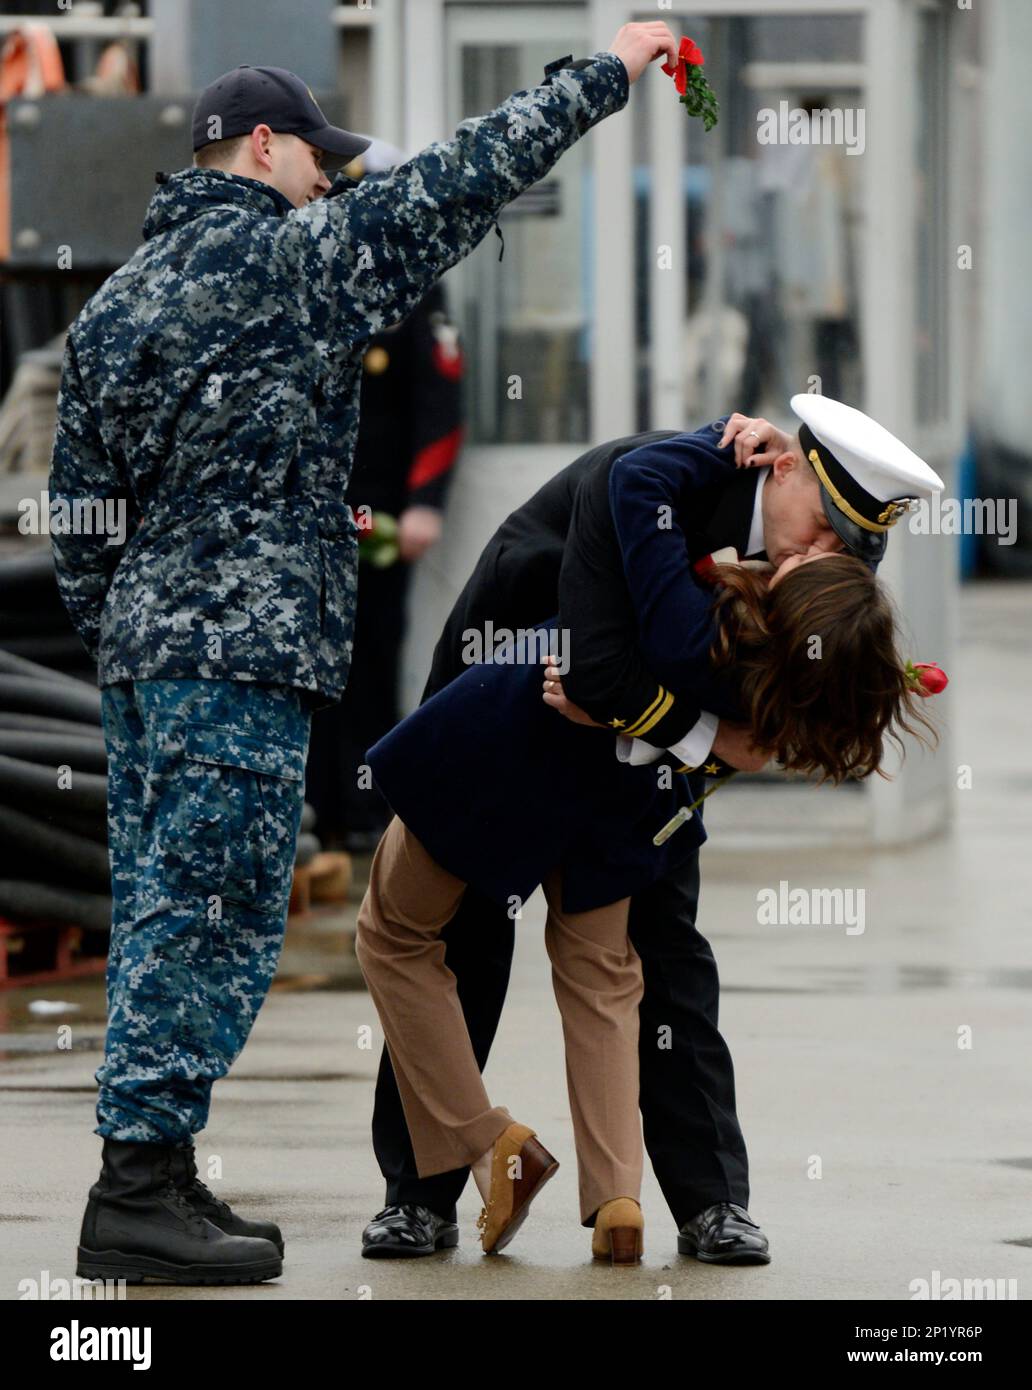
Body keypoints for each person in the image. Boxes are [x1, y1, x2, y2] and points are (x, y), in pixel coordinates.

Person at [49, 24, 682, 1286]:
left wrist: (125, 631)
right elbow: (465, 175)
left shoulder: (115, 300)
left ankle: (157, 1175)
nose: (330, 180)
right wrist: (603, 71)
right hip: (235, 660)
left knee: (158, 909)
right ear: (265, 147)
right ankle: (137, 1189)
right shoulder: (289, 262)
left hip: (140, 661)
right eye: (314, 160)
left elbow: (80, 512)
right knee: (215, 917)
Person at [361, 396, 946, 1261]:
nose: (822, 554)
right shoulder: (663, 482)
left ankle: (707, 1203)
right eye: (824, 527)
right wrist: (717, 738)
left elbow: (786, 690)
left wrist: (721, 737)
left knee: (663, 956)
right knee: (467, 936)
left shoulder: (803, 565)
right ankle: (420, 1194)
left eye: (846, 549)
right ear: (783, 464)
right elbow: (596, 666)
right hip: (511, 682)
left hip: (640, 765)